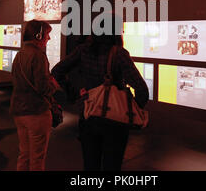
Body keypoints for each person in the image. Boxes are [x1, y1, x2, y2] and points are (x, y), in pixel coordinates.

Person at [51, 15, 149, 171]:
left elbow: (57, 71)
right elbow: (142, 89)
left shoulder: (83, 50)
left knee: (90, 165)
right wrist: (131, 110)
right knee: (112, 166)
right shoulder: (119, 54)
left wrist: (75, 93)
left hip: (89, 115)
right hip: (115, 122)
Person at [10, 20, 60, 171]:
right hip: (36, 112)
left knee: (24, 155)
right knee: (37, 159)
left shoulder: (19, 54)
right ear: (38, 35)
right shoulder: (38, 56)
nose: (49, 38)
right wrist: (54, 85)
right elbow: (43, 87)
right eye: (47, 34)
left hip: (19, 111)